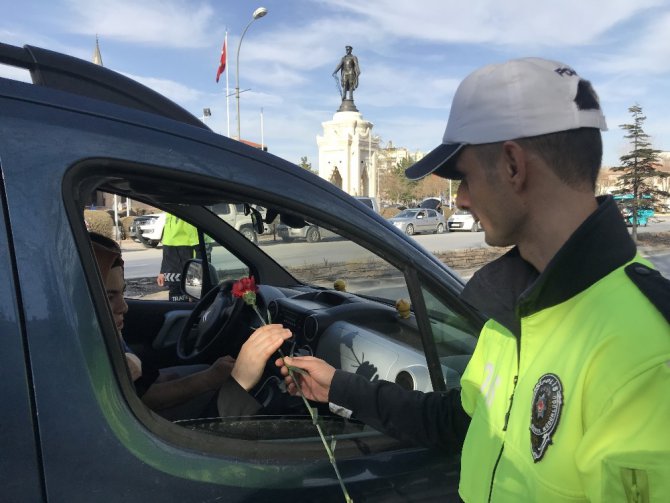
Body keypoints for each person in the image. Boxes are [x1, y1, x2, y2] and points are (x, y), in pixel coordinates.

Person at [277, 57, 670, 501]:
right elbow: (462, 422)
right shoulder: (517, 306)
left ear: (512, 165)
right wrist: (339, 386)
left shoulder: (649, 355)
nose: (459, 199)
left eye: (462, 177)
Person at [90, 232, 292, 420]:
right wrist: (225, 381)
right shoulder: (87, 347)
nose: (123, 307)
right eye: (108, 297)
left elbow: (140, 387)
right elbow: (142, 399)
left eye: (122, 293)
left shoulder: (98, 331)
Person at [157, 213, 200, 302]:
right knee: (175, 305)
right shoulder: (169, 212)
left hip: (185, 269)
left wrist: (196, 274)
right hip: (171, 271)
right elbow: (167, 245)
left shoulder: (185, 212)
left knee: (187, 305)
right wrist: (162, 271)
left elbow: (197, 245)